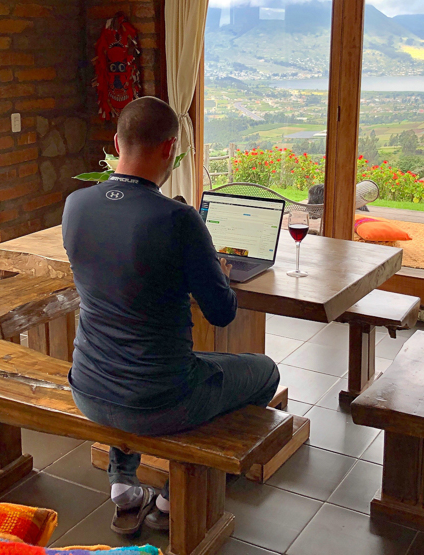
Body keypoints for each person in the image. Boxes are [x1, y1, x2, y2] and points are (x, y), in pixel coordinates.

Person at [63, 96, 280, 536]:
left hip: (87, 387)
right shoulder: (179, 220)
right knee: (265, 372)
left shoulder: (76, 205)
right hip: (162, 402)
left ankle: (123, 488)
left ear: (117, 143)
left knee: (134, 363)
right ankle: (173, 495)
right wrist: (216, 273)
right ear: (169, 149)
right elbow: (221, 314)